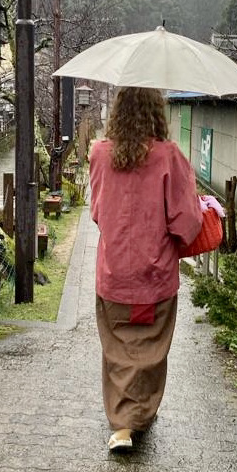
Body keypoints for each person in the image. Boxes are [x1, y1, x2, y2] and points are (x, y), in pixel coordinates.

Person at [89, 86, 203, 452]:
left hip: (114, 274)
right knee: (151, 349)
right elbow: (186, 223)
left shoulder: (99, 153)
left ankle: (122, 425)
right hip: (156, 277)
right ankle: (137, 418)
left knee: (118, 348)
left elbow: (96, 212)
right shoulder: (169, 156)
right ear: (157, 112)